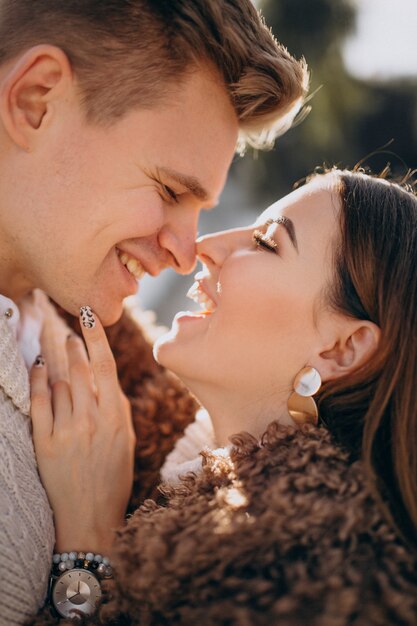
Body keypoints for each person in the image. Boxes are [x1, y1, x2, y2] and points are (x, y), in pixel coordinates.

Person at [0, 0, 309, 622]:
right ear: (36, 100)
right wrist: (85, 558)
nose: (188, 250)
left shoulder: (92, 345)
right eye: (170, 190)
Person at [29, 168, 417, 625]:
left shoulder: (297, 570)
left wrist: (86, 552)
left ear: (342, 348)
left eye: (266, 243)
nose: (204, 247)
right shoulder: (179, 444)